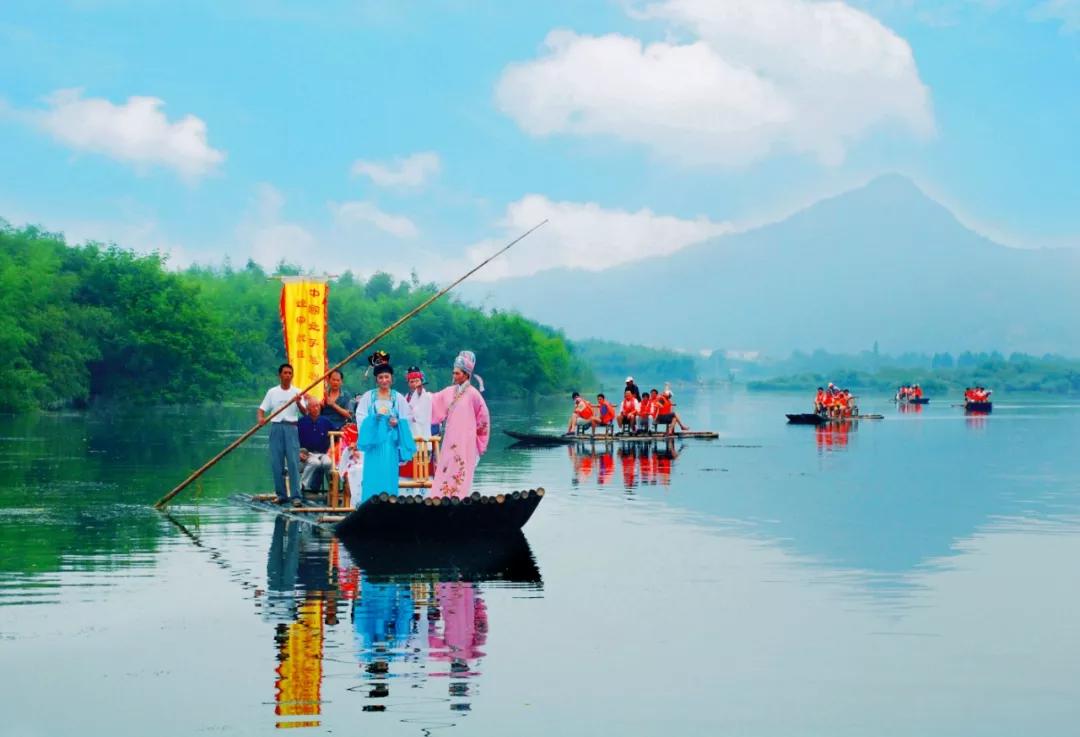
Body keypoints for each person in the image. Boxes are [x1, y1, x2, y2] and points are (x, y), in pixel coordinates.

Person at [353, 352, 416, 504]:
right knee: (373, 474)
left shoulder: (397, 397)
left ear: (391, 379)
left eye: (387, 377)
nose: (384, 380)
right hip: (374, 442)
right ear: (376, 380)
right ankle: (369, 504)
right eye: (381, 377)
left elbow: (407, 418)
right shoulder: (369, 397)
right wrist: (374, 419)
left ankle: (389, 504)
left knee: (388, 474)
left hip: (390, 443)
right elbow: (360, 416)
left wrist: (397, 422)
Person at [429, 350, 490, 499]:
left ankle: (459, 499)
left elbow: (483, 421)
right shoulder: (450, 391)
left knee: (461, 470)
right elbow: (433, 401)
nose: (454, 376)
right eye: (454, 372)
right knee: (446, 467)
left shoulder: (474, 395)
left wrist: (479, 444)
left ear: (466, 374)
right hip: (450, 439)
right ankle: (441, 498)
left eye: (457, 373)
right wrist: (420, 395)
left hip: (466, 441)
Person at [257, 363, 309, 507]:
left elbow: (305, 413)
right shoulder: (272, 392)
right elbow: (261, 409)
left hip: (291, 428)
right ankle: (281, 495)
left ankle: (296, 496)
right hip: (276, 428)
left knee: (293, 463)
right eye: (285, 373)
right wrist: (261, 419)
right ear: (280, 375)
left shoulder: (297, 392)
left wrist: (298, 403)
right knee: (276, 464)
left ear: (292, 376)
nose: (287, 375)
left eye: (289, 373)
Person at [298, 400, 334, 492]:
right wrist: (299, 452)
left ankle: (333, 489)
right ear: (308, 409)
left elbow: (336, 433)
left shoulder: (326, 421)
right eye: (314, 406)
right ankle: (302, 486)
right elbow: (294, 440)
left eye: (318, 406)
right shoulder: (301, 422)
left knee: (328, 463)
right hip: (308, 454)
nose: (317, 408)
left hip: (323, 454)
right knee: (315, 462)